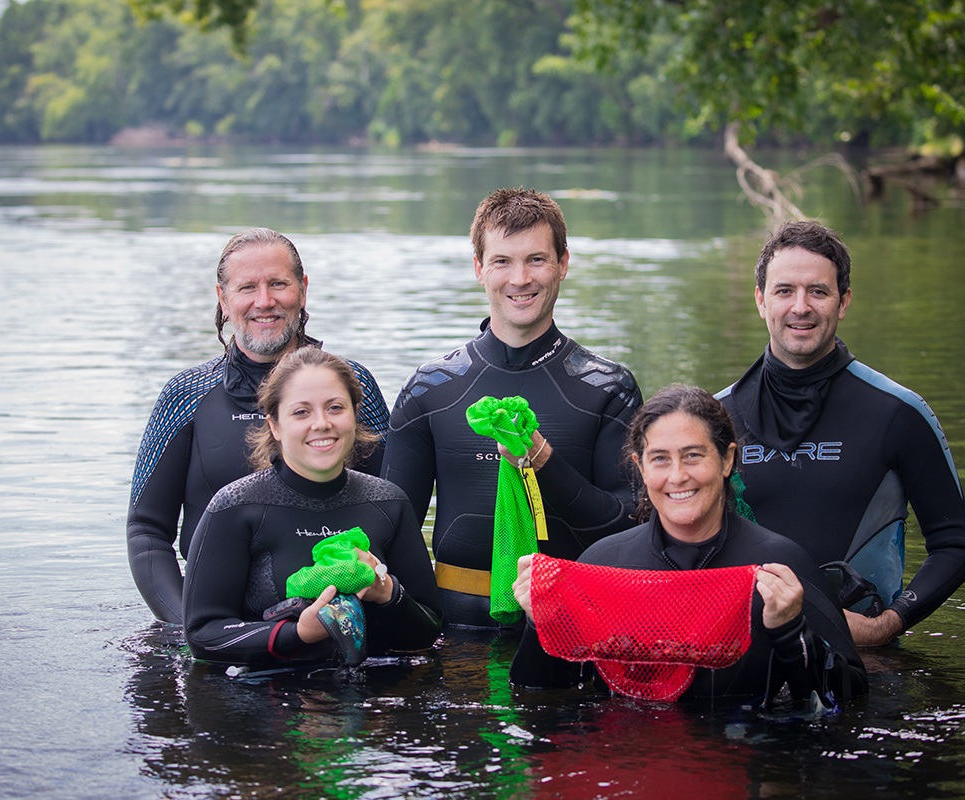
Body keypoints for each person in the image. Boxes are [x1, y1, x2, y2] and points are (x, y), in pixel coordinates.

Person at [382, 188, 643, 628]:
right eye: (503, 261)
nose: (520, 278)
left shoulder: (607, 389)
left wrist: (544, 463)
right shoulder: (430, 389)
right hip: (453, 640)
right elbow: (389, 528)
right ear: (479, 269)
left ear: (563, 264)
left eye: (536, 259)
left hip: (573, 631)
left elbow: (631, 526)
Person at [510, 385, 867, 704]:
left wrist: (791, 632)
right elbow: (543, 700)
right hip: (627, 764)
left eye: (694, 455)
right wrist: (539, 621)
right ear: (641, 467)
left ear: (726, 460)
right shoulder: (604, 563)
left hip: (744, 756)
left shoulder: (778, 565)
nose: (678, 476)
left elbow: (850, 701)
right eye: (660, 459)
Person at [716, 220, 965, 647]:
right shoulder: (718, 416)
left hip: (861, 661)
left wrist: (885, 625)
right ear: (761, 301)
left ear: (844, 301)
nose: (801, 306)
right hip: (743, 654)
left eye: (818, 291)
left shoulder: (898, 413)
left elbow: (955, 545)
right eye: (784, 291)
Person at [127, 228, 390, 624]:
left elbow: (393, 508)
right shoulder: (186, 396)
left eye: (278, 284)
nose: (264, 302)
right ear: (223, 297)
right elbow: (146, 531)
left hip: (339, 620)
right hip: (221, 628)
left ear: (302, 290)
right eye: (247, 287)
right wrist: (189, 626)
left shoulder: (353, 387)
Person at [182, 347, 442, 667]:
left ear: (354, 414)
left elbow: (429, 631)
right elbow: (201, 634)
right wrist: (297, 634)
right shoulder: (234, 508)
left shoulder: (389, 503)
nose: (321, 423)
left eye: (335, 408)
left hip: (373, 705)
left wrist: (386, 591)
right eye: (301, 412)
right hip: (268, 702)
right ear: (275, 425)